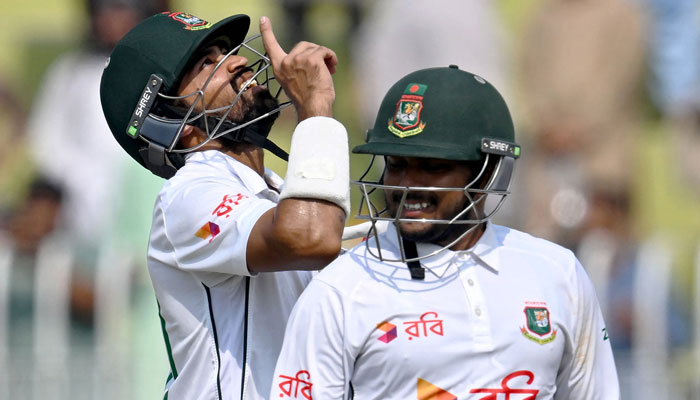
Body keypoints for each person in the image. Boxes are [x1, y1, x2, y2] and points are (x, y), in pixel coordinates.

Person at [271, 66, 619, 399]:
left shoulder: (558, 273)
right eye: (396, 165)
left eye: (432, 168)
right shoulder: (340, 290)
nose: (407, 186)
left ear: (487, 174)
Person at [99, 11, 349, 400]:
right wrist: (315, 107)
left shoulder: (278, 191)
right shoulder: (186, 196)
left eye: (226, 51)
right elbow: (308, 238)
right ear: (171, 121)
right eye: (207, 62)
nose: (238, 61)